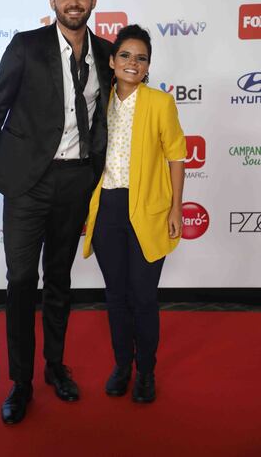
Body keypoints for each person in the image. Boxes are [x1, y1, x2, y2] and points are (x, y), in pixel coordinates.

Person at [0, 0, 112, 424]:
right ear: (52, 1)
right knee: (20, 282)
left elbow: (113, 122)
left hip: (76, 182)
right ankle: (21, 382)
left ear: (93, 0)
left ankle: (54, 367)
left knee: (60, 282)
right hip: (27, 184)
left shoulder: (108, 55)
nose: (74, 2)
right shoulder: (26, 47)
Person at [83, 24, 186, 403]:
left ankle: (146, 372)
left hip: (149, 210)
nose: (132, 63)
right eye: (125, 55)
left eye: (141, 58)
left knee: (143, 296)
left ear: (147, 67)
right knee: (116, 296)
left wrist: (175, 207)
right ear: (111, 61)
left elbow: (176, 156)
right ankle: (122, 365)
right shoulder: (97, 104)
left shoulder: (160, 103)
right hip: (107, 208)